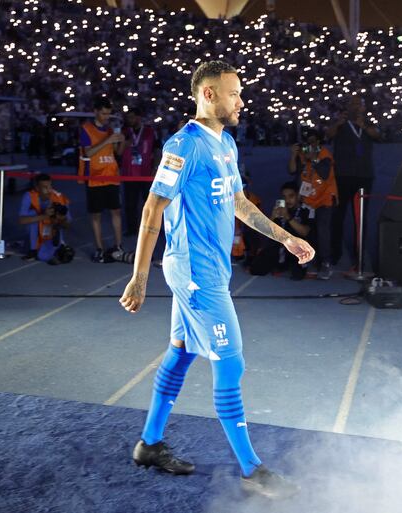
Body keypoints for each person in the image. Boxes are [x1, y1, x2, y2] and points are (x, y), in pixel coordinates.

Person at [119, 60, 313, 499]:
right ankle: (252, 470)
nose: (241, 101)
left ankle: (149, 444)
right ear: (208, 95)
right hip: (195, 273)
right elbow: (152, 209)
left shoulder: (225, 142)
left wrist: (285, 238)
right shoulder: (183, 146)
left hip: (210, 270)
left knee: (182, 352)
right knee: (231, 361)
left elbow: (239, 203)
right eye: (234, 94)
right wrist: (139, 278)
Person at [325, 95, 379, 268]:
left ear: (364, 107)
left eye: (359, 104)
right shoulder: (341, 123)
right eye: (353, 104)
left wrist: (364, 126)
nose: (356, 107)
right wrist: (338, 123)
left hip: (364, 176)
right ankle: (335, 253)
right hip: (342, 175)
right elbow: (328, 135)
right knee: (337, 216)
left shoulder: (369, 123)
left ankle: (359, 254)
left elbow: (378, 136)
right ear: (348, 107)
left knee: (361, 218)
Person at [78, 96, 125, 262]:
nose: (106, 117)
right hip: (94, 177)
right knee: (96, 215)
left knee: (116, 211)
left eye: (108, 114)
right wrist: (107, 140)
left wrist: (121, 141)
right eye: (103, 113)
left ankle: (118, 246)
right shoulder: (86, 129)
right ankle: (99, 248)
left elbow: (117, 152)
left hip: (111, 175)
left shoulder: (111, 130)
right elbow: (88, 152)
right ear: (95, 112)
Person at [290, 129, 338, 279]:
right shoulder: (303, 154)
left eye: (312, 142)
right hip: (308, 200)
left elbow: (324, 173)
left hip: (325, 199)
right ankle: (313, 260)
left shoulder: (324, 154)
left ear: (318, 142)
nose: (309, 146)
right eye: (306, 143)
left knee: (323, 230)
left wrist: (314, 158)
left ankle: (326, 263)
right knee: (310, 231)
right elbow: (292, 171)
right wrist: (293, 155)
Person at [248, 181, 313, 280]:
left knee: (297, 275)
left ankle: (287, 265)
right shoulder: (280, 209)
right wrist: (273, 217)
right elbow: (266, 232)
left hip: (297, 248)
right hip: (279, 247)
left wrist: (288, 217)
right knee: (255, 269)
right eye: (284, 197)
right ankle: (279, 264)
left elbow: (305, 232)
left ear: (298, 196)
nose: (287, 200)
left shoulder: (306, 209)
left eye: (291, 196)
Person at [118, 107, 159, 236]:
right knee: (130, 204)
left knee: (150, 203)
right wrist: (124, 143)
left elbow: (157, 150)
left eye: (132, 117)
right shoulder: (124, 131)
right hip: (129, 174)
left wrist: (156, 167)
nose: (129, 120)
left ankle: (151, 228)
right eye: (128, 117)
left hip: (146, 173)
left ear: (138, 117)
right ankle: (132, 229)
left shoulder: (150, 131)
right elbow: (118, 152)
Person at [18, 173, 73, 265]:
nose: (49, 190)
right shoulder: (29, 196)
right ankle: (33, 249)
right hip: (36, 231)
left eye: (50, 186)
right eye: (45, 187)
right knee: (33, 213)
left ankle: (58, 247)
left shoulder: (59, 198)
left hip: (51, 232)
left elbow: (67, 226)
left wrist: (61, 219)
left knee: (43, 256)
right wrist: (44, 215)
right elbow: (21, 220)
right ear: (37, 188)